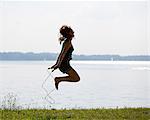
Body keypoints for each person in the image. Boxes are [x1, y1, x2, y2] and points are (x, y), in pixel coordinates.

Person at [49, 25, 80, 90]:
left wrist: (56, 64)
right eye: (71, 31)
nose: (73, 32)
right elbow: (62, 54)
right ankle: (58, 79)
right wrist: (58, 64)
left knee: (76, 78)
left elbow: (61, 54)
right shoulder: (68, 42)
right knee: (76, 78)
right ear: (68, 33)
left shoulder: (67, 42)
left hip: (64, 64)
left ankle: (58, 79)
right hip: (64, 65)